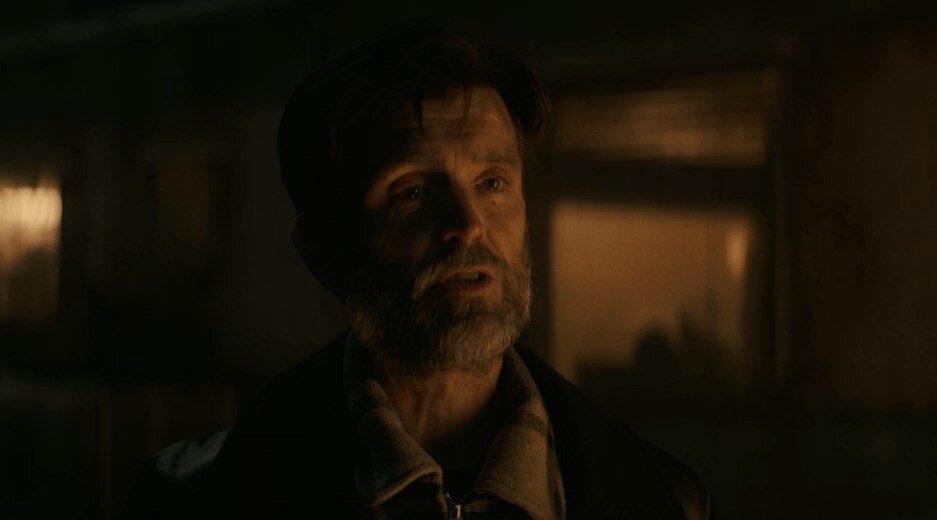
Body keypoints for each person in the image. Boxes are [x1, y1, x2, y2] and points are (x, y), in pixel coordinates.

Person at [126, 22, 712, 519]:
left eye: (493, 183)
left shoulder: (667, 499)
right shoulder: (197, 499)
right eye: (410, 192)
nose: (468, 224)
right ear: (324, 249)